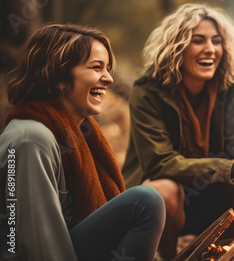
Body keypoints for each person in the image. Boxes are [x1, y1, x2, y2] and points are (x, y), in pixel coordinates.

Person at [0, 24, 165, 261]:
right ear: (59, 77)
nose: (108, 78)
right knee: (145, 202)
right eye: (97, 67)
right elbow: (38, 246)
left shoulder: (75, 132)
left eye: (108, 69)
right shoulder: (31, 140)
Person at [121, 3, 234, 259]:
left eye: (217, 41)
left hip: (214, 194)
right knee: (163, 190)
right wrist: (229, 169)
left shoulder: (229, 86)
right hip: (168, 200)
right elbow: (159, 163)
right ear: (177, 47)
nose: (210, 49)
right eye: (198, 41)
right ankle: (168, 256)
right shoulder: (147, 90)